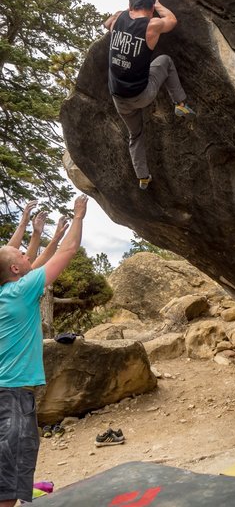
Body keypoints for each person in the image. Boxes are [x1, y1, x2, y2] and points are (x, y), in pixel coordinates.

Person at [0, 194, 88, 507]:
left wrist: (37, 232)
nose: (29, 255)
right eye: (23, 254)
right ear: (14, 268)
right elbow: (68, 252)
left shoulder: (9, 291)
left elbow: (27, 261)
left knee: (8, 476)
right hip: (11, 398)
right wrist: (78, 217)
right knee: (7, 487)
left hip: (9, 395)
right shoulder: (20, 292)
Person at [104, 0, 195, 190]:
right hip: (142, 93)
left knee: (135, 135)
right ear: (151, 8)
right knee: (165, 61)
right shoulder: (151, 25)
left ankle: (143, 177)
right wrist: (160, 3)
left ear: (130, 5)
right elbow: (172, 20)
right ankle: (179, 103)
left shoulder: (118, 18)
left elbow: (106, 23)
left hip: (119, 98)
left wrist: (122, 13)